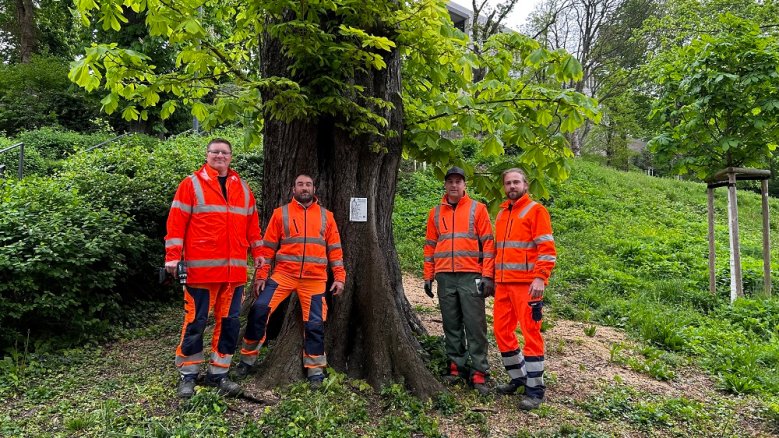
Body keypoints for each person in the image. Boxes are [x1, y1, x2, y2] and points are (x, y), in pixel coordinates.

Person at [164, 138, 265, 398]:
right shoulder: (191, 184)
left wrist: (259, 253)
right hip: (201, 273)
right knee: (195, 322)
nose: (220, 156)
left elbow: (252, 226)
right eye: (215, 152)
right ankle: (188, 375)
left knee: (229, 324)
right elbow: (176, 223)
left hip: (234, 274)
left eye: (224, 152)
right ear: (207, 154)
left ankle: (218, 374)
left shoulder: (242, 187)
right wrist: (172, 257)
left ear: (231, 156)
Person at [236, 174, 346, 387]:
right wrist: (261, 276)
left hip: (314, 279)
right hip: (283, 276)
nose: (304, 188)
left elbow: (335, 250)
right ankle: (247, 360)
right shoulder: (281, 213)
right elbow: (267, 249)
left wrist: (339, 277)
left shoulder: (327, 216)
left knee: (314, 323)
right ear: (293, 189)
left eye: (308, 184)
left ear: (314, 189)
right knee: (259, 309)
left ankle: (315, 371)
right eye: (300, 184)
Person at [423, 166, 495, 395]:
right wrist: (428, 276)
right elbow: (430, 246)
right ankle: (456, 367)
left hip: (471, 276)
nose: (454, 185)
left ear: (465, 185)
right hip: (445, 276)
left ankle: (479, 371)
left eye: (458, 181)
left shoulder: (478, 209)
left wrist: (487, 275)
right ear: (445, 184)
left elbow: (488, 244)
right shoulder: (435, 213)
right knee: (451, 324)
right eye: (450, 181)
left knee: (475, 325)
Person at [493, 168, 557, 410]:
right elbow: (499, 251)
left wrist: (540, 278)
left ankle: (535, 389)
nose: (512, 186)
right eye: (508, 183)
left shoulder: (536, 210)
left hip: (527, 286)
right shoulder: (501, 214)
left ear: (525, 185)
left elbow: (547, 250)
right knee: (501, 331)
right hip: (503, 285)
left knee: (531, 334)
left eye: (516, 182)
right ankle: (519, 378)